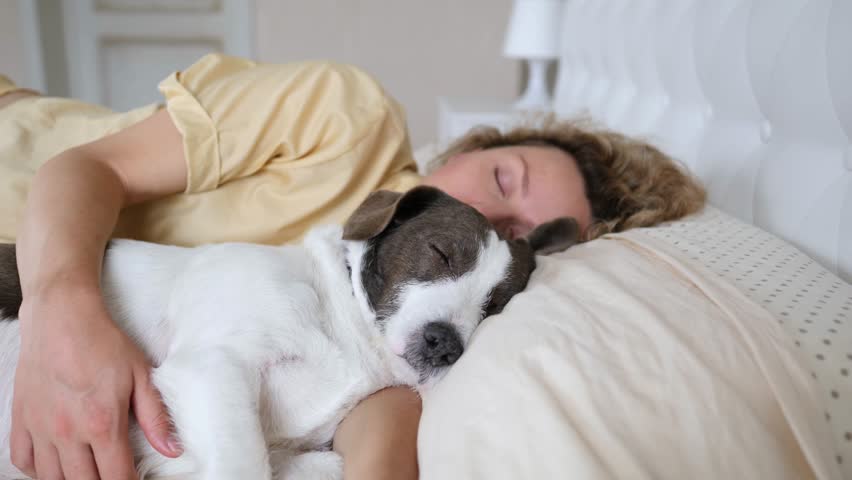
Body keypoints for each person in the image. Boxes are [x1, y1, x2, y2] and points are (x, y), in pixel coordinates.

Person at [0, 54, 705, 480]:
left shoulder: (383, 331)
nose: (491, 227)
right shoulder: (349, 120)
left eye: (517, 235)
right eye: (503, 181)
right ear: (475, 144)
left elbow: (371, 445)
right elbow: (85, 166)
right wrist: (58, 309)